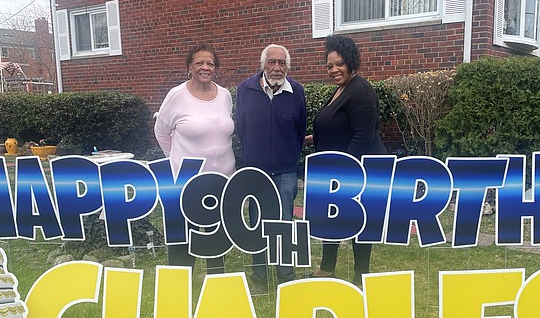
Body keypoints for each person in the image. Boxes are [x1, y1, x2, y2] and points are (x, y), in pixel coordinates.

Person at [309, 35, 387, 286]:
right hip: (337, 170)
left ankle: (360, 275)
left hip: (358, 171)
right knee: (331, 217)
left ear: (351, 62)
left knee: (359, 222)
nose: (334, 70)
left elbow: (363, 135)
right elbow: (335, 128)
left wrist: (346, 170)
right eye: (330, 65)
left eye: (339, 64)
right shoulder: (341, 91)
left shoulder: (360, 90)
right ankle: (327, 268)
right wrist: (307, 139)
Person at [154, 44, 235, 273]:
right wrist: (175, 160)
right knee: (183, 238)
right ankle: (180, 284)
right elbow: (161, 131)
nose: (205, 67)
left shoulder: (225, 96)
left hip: (222, 180)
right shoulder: (177, 96)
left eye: (210, 63)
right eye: (199, 62)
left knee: (217, 237)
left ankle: (216, 283)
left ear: (216, 68)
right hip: (187, 181)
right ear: (190, 67)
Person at [236, 44, 307, 289]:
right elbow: (241, 129)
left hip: (285, 172)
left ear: (287, 66)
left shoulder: (296, 91)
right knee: (257, 223)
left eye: (281, 63)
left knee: (285, 222)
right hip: (256, 173)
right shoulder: (245, 89)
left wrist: (287, 156)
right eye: (272, 62)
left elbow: (300, 131)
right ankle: (259, 278)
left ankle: (285, 277)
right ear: (263, 64)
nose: (277, 67)